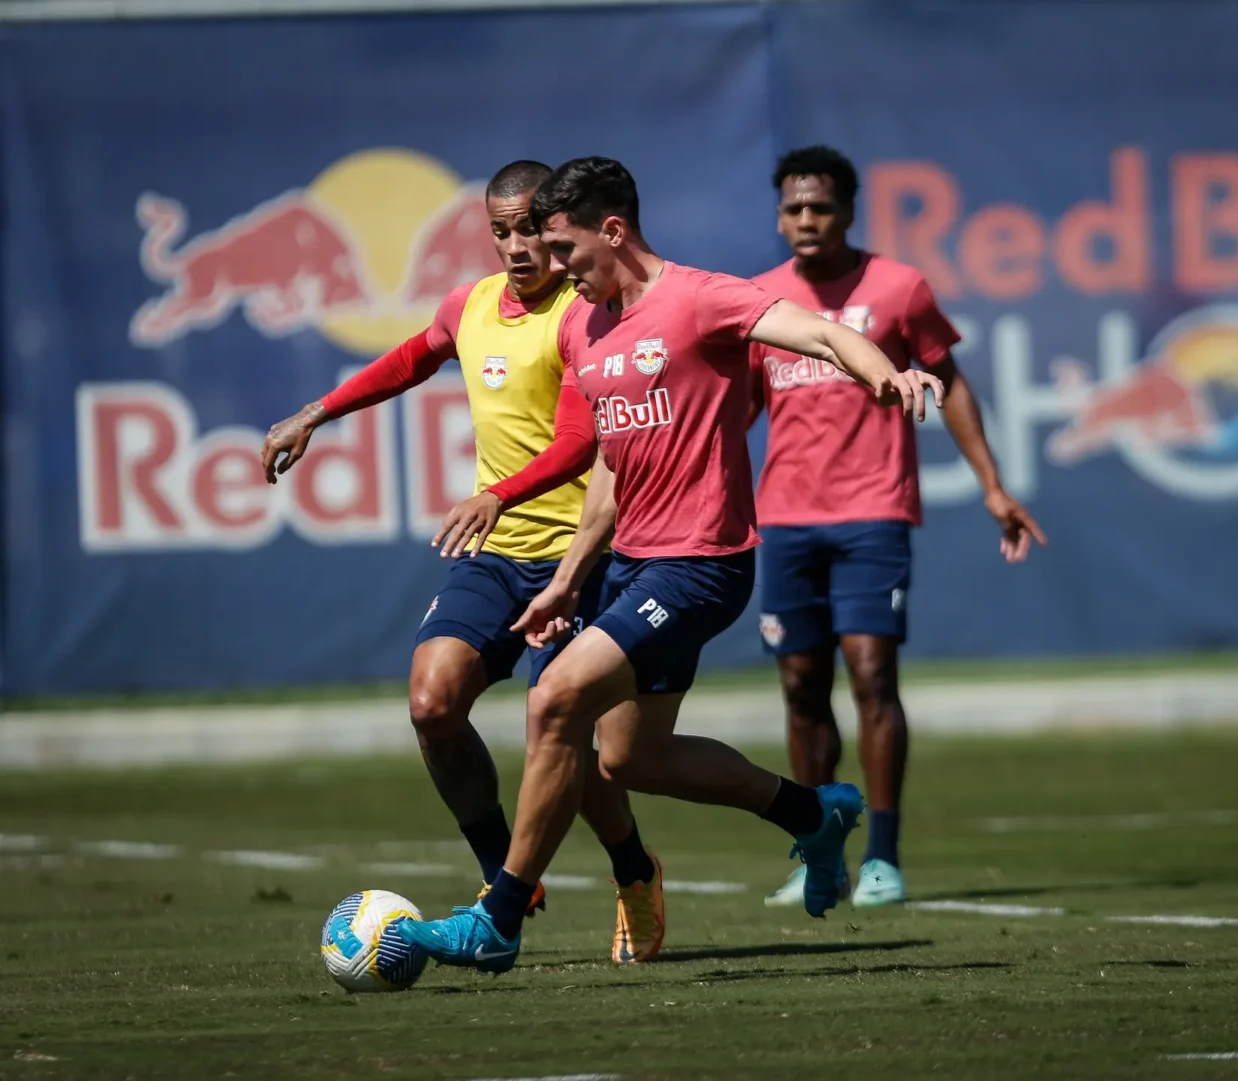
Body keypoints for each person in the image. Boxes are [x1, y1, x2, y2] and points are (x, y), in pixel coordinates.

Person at [398, 156, 944, 974]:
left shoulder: (700, 299)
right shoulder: (587, 325)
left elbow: (824, 333)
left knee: (554, 701)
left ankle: (499, 916)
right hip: (629, 564)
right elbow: (610, 471)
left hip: (702, 564)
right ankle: (812, 812)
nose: (554, 268)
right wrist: (565, 581)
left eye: (565, 249)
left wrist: (889, 374)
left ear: (612, 231)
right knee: (631, 760)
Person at [260, 160, 666, 966]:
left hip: (579, 558)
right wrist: (318, 411)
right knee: (431, 702)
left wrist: (499, 492)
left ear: (558, 224)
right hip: (497, 553)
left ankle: (633, 869)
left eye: (530, 230)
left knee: (564, 739)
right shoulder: (472, 304)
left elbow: (582, 440)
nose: (518, 247)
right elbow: (412, 356)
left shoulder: (589, 315)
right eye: (501, 231)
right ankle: (500, 870)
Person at [749, 146, 1047, 909]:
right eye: (793, 208)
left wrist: (992, 484)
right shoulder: (760, 302)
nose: (806, 221)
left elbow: (948, 383)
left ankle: (882, 854)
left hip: (873, 513)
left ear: (848, 211)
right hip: (784, 518)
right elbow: (734, 411)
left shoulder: (898, 288)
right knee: (799, 686)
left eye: (820, 207)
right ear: (779, 216)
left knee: (873, 676)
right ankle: (821, 851)